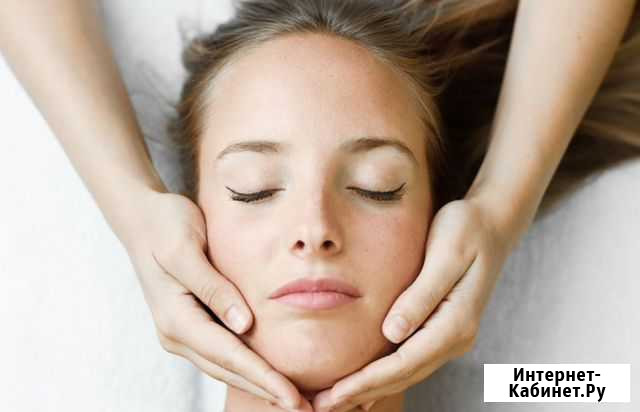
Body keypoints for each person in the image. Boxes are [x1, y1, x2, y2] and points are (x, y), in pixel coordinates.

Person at [1, 0, 638, 411]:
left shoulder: (523, 385)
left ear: (437, 219)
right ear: (192, 223)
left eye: (376, 185)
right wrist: (132, 208)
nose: (315, 229)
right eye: (253, 187)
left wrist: (500, 209)